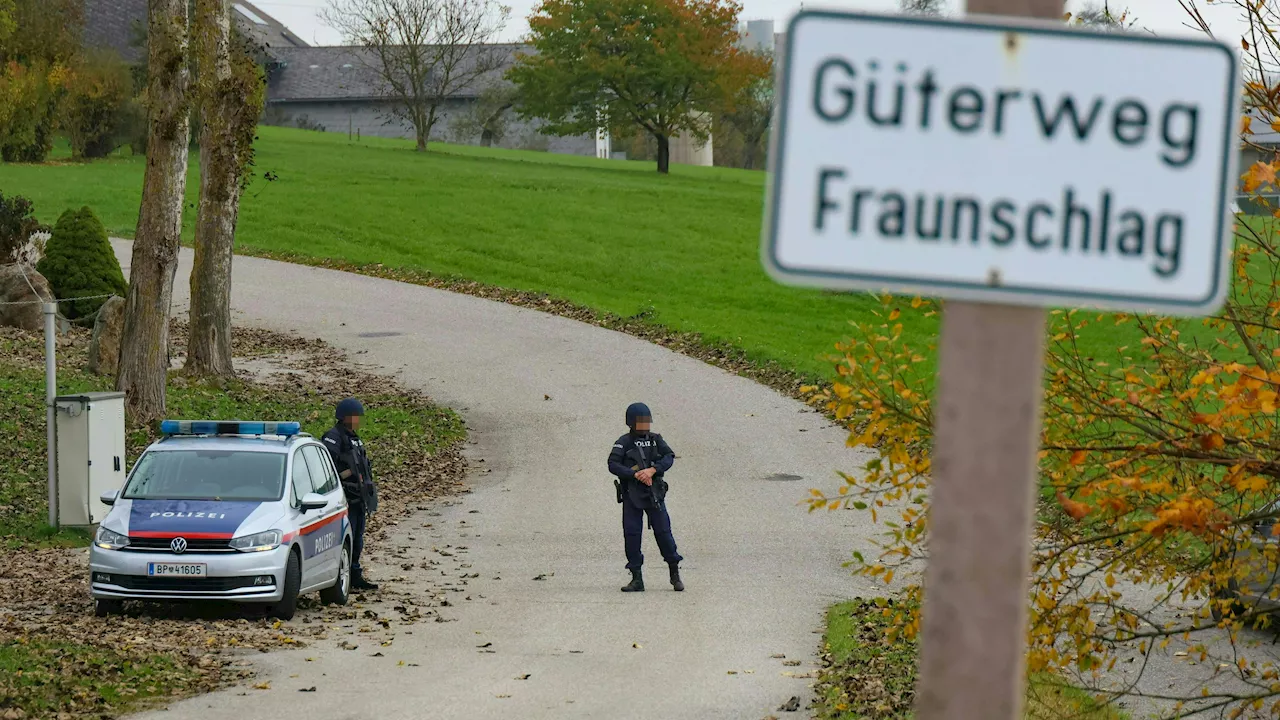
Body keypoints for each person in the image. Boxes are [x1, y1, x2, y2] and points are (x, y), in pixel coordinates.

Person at [607, 402, 684, 593]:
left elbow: (669, 457)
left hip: (654, 494)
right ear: (631, 422)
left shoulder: (656, 440)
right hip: (632, 495)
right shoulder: (623, 442)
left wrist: (652, 470)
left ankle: (674, 574)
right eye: (640, 422)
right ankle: (636, 579)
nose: (644, 425)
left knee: (664, 533)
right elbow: (612, 464)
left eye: (646, 421)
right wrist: (634, 474)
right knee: (632, 535)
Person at [322, 398, 379, 591]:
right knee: (348, 537)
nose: (358, 421)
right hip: (343, 498)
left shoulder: (354, 438)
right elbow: (327, 468)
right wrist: (347, 475)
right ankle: (341, 576)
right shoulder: (333, 437)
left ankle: (355, 574)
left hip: (358, 498)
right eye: (355, 417)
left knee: (358, 538)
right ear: (344, 417)